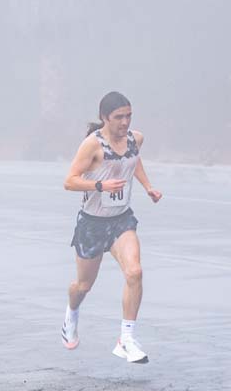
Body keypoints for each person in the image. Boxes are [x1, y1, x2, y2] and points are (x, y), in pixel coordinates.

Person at [62, 91, 162, 363]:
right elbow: (69, 181)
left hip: (121, 219)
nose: (125, 122)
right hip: (92, 223)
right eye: (119, 117)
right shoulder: (92, 145)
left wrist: (148, 186)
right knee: (83, 286)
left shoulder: (135, 139)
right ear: (105, 118)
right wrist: (100, 185)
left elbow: (134, 159)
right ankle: (71, 314)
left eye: (128, 116)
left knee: (135, 272)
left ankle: (126, 339)